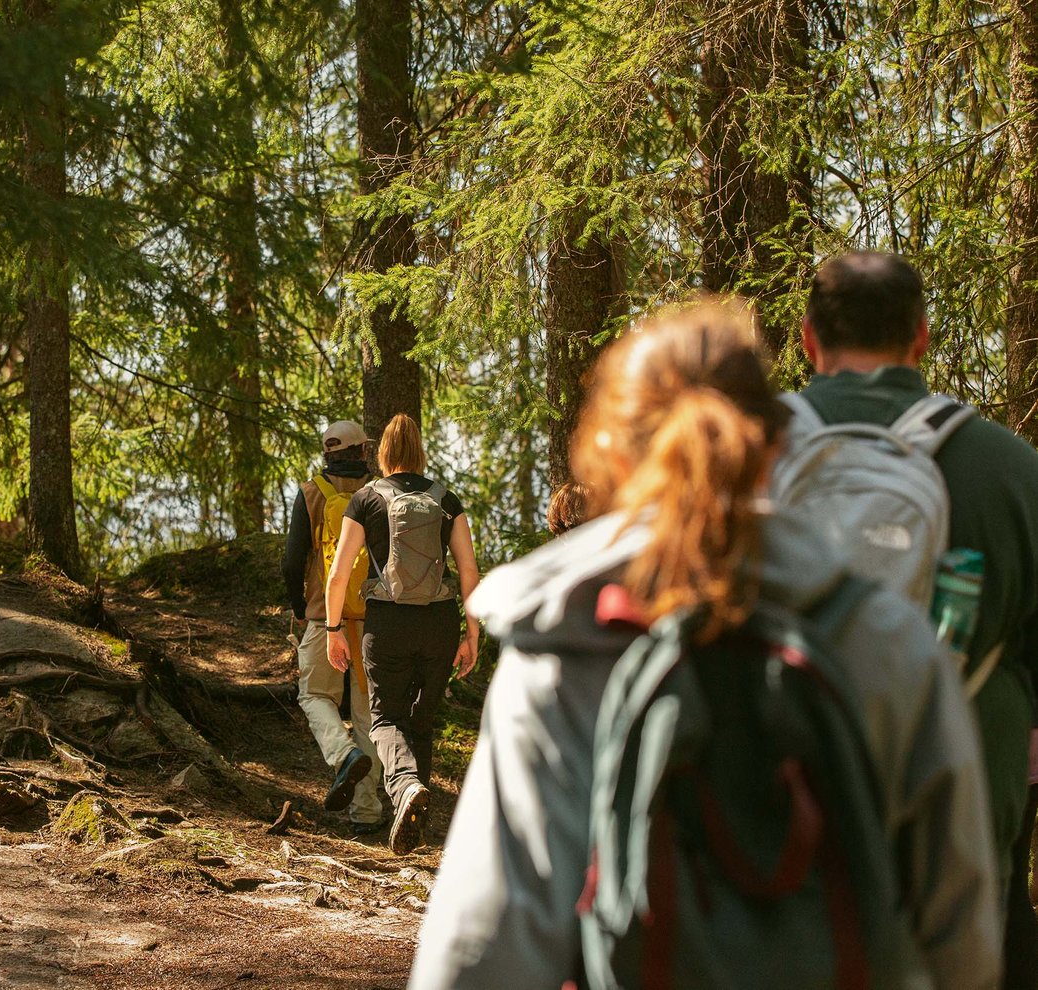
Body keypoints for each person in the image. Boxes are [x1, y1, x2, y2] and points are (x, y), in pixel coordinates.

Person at [409, 301, 999, 989]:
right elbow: (962, 932)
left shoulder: (564, 644)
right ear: (778, 446)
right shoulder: (886, 639)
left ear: (607, 454)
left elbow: (488, 944)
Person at [795, 252, 1038, 982]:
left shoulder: (732, 454)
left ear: (808, 339)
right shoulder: (1012, 468)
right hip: (960, 789)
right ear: (922, 338)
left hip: (778, 788)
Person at [324, 413, 481, 856]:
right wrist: (472, 633)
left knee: (385, 718)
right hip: (439, 621)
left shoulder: (366, 498)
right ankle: (414, 825)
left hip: (387, 622)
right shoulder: (446, 500)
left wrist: (334, 629)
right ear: (420, 453)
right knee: (421, 723)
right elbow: (468, 570)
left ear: (383, 454)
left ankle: (406, 787)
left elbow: (339, 574)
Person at [280, 420, 383, 835]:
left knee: (314, 694)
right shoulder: (380, 492)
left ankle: (342, 757)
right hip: (373, 618)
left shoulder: (310, 494)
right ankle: (368, 813)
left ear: (327, 452)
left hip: (325, 616)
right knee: (367, 715)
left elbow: (291, 561)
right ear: (362, 452)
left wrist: (298, 607)